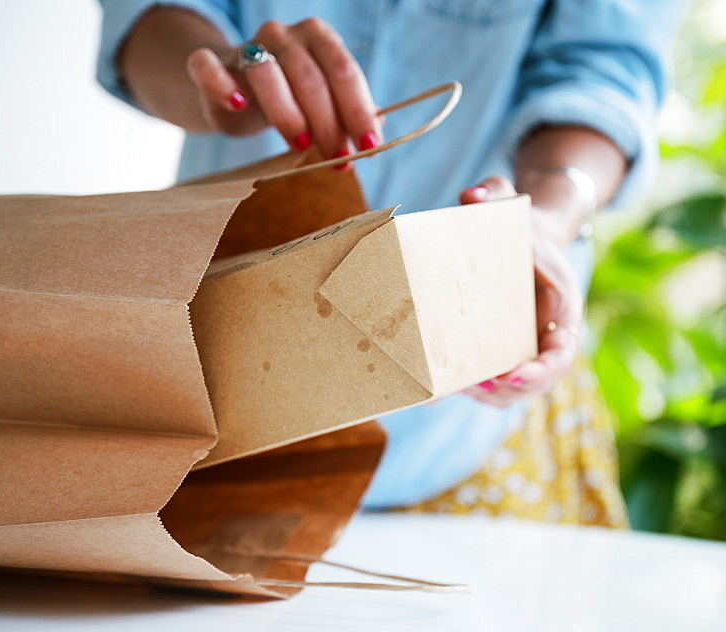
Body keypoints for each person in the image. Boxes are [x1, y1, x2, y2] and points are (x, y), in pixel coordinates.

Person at [97, 0, 686, 526]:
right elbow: (145, 15)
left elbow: (605, 69)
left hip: (462, 444)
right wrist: (225, 71)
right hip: (219, 409)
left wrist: (549, 220)